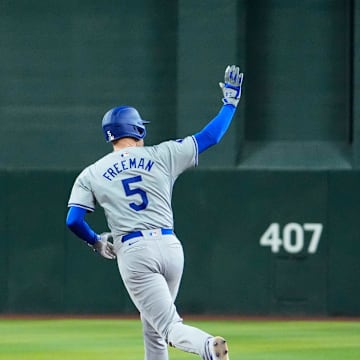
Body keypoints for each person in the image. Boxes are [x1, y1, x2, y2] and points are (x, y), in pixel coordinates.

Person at [66, 65, 243, 360]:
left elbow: (74, 220)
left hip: (135, 252)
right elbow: (210, 137)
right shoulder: (163, 154)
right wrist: (230, 104)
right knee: (153, 328)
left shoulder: (91, 173)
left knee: (169, 326)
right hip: (170, 247)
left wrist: (96, 241)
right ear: (138, 130)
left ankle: (207, 347)